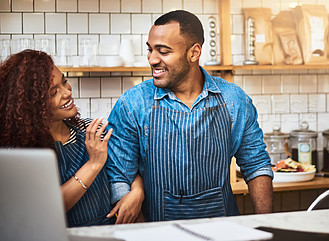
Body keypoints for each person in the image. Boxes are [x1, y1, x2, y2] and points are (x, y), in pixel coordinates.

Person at [107, 10, 273, 222]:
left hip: (223, 230)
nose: (152, 59)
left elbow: (256, 165)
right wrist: (145, 234)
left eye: (163, 52)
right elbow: (119, 177)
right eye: (150, 50)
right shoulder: (132, 104)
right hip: (157, 232)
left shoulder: (234, 100)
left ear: (194, 53)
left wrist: (267, 224)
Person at [0, 49, 144, 227]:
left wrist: (137, 191)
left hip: (107, 234)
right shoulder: (18, 153)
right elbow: (45, 208)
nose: (67, 92)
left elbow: (125, 166)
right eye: (54, 92)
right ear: (31, 104)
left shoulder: (90, 129)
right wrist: (93, 164)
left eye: (64, 82)